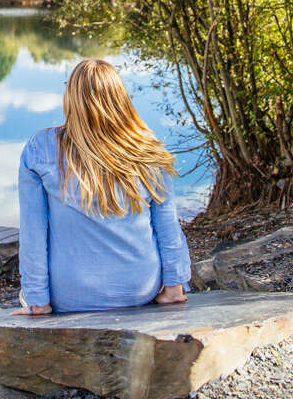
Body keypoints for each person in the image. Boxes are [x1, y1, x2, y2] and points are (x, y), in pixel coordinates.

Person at [13, 58, 191, 316]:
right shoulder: (147, 148)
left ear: (71, 97)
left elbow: (33, 233)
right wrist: (174, 288)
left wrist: (37, 302)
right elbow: (167, 226)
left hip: (72, 294)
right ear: (119, 97)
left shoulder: (41, 147)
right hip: (140, 288)